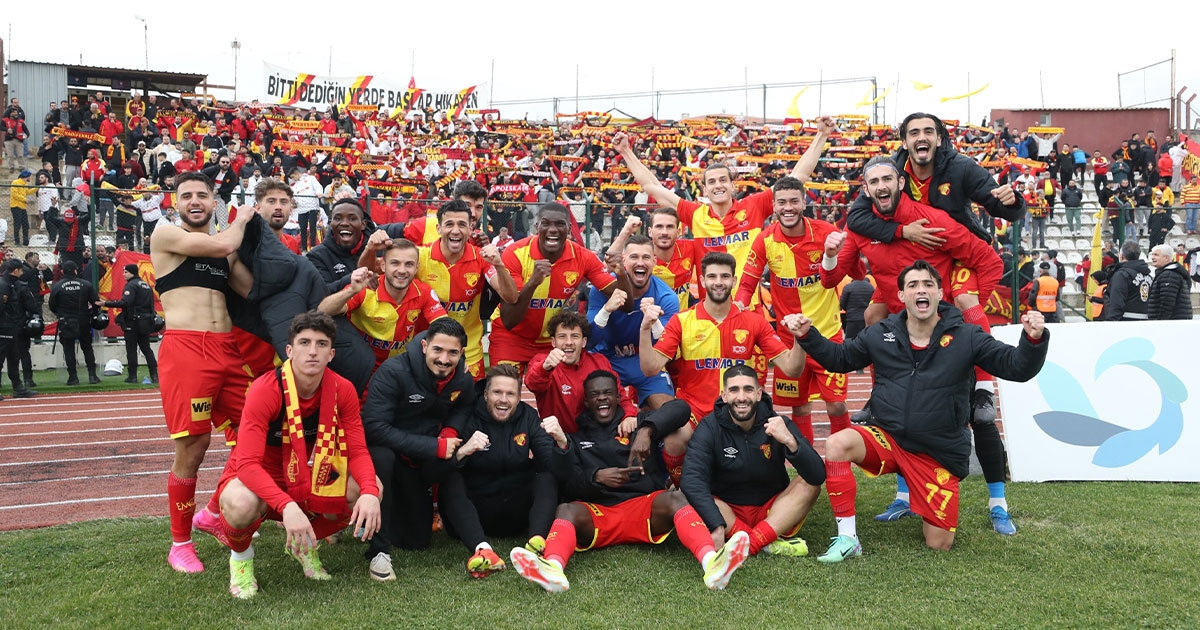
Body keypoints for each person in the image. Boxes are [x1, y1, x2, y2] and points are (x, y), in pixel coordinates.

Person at [795, 261, 1048, 562]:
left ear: (940, 293)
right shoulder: (882, 333)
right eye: (913, 285)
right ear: (901, 295)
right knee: (837, 443)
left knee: (939, 543)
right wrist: (808, 335)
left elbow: (1015, 367)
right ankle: (848, 538)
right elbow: (839, 358)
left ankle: (921, 495)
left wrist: (1033, 340)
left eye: (928, 284)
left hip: (936, 452)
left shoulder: (967, 336)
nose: (921, 290)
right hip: (889, 438)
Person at [830, 154, 1015, 533]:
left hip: (944, 337)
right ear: (866, 189)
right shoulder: (861, 226)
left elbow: (989, 260)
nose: (881, 187)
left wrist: (964, 307)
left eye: (888, 179)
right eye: (873, 182)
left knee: (979, 419)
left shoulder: (932, 221)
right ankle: (904, 496)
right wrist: (835, 257)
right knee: (900, 414)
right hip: (904, 342)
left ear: (901, 182)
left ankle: (998, 503)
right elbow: (834, 274)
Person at [509, 370, 752, 593]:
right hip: (600, 513)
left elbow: (681, 408)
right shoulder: (576, 437)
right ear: (586, 402)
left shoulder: (639, 422)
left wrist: (646, 430)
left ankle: (711, 562)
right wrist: (597, 477)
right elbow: (570, 484)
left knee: (675, 497)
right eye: (594, 395)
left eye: (607, 393)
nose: (602, 399)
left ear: (618, 397)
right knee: (565, 509)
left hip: (643, 508)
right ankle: (553, 569)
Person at [206, 311, 382, 599]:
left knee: (370, 487)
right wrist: (287, 507)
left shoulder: (342, 389)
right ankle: (241, 560)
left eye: (321, 344)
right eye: (304, 343)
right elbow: (247, 465)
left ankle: (304, 545)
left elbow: (358, 451)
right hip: (256, 478)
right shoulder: (265, 389)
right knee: (239, 504)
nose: (312, 351)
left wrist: (371, 493)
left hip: (300, 474)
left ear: (331, 354)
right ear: (289, 350)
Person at [150, 170, 255, 573]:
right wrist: (244, 219)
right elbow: (225, 241)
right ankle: (180, 544)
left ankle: (211, 512)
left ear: (214, 202)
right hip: (187, 349)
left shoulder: (224, 251)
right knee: (193, 447)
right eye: (186, 195)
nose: (194, 201)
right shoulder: (166, 234)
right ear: (175, 203)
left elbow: (252, 290)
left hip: (228, 349)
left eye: (202, 195)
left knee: (257, 432)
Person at [612, 118, 834, 298]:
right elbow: (652, 186)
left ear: (732, 185)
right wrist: (626, 151)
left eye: (723, 180)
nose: (718, 185)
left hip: (749, 310)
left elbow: (797, 177)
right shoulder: (696, 214)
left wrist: (821, 135)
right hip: (710, 312)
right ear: (705, 190)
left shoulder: (754, 205)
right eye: (712, 182)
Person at [639, 252, 809, 485]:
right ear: (702, 280)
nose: (718, 282)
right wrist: (644, 329)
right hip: (694, 410)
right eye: (712, 276)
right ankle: (683, 490)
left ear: (734, 281)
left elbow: (792, 369)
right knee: (675, 440)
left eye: (724, 276)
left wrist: (800, 339)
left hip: (737, 407)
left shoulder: (754, 321)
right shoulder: (682, 320)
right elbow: (650, 369)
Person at [735, 175, 851, 445]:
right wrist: (740, 302)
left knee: (836, 405)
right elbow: (748, 281)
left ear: (804, 203)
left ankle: (843, 457)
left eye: (794, 201)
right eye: (782, 202)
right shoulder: (764, 239)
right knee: (799, 408)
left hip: (827, 334)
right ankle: (806, 460)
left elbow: (843, 271)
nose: (788, 208)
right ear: (774, 206)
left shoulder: (825, 233)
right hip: (789, 342)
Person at [361, 318, 476, 581]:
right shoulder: (393, 372)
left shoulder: (462, 376)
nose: (444, 359)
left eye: (452, 353)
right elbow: (374, 427)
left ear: (461, 353)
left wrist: (450, 432)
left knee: (417, 541)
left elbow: (465, 406)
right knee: (382, 457)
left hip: (419, 459)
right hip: (387, 453)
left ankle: (391, 516)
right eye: (437, 350)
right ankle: (379, 550)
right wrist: (434, 446)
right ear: (424, 346)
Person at [437, 364, 571, 578]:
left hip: (516, 512)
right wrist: (464, 451)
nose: (503, 400)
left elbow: (552, 466)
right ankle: (482, 550)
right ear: (485, 394)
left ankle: (536, 543)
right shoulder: (467, 416)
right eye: (497, 392)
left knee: (545, 476)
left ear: (518, 398)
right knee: (451, 477)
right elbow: (436, 469)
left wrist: (562, 443)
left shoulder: (528, 416)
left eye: (510, 394)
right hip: (476, 511)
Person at [679, 364, 826, 560]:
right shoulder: (709, 427)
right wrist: (716, 524)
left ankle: (749, 544)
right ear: (724, 396)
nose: (741, 397)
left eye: (748, 389)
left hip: (773, 512)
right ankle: (764, 541)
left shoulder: (778, 423)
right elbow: (691, 479)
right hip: (727, 512)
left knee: (809, 484)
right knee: (686, 493)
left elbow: (818, 475)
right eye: (734, 390)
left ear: (758, 394)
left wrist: (791, 441)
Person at [490, 203, 617, 371]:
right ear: (536, 227)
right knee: (504, 386)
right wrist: (533, 282)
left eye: (559, 224)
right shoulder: (515, 253)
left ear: (569, 229)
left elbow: (623, 299)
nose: (552, 229)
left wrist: (622, 273)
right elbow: (509, 321)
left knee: (556, 387)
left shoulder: (583, 257)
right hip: (510, 337)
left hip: (550, 341)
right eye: (546, 223)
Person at [416, 199, 518, 380]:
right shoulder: (419, 256)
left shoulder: (481, 258)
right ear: (439, 228)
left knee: (471, 398)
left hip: (468, 352)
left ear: (470, 229)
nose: (455, 231)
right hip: (427, 350)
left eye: (462, 225)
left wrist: (499, 264)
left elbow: (511, 297)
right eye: (449, 224)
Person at [318, 238, 447, 371]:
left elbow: (445, 326)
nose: (402, 270)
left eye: (409, 264)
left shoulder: (424, 292)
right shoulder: (365, 288)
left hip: (401, 368)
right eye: (395, 263)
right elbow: (323, 310)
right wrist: (351, 291)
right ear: (383, 266)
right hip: (362, 369)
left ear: (416, 268)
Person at [589, 230, 680, 409]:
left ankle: (646, 421)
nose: (640, 262)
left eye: (646, 257)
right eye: (634, 257)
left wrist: (654, 322)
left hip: (643, 361)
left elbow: (667, 347)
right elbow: (590, 340)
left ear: (654, 261)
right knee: (594, 407)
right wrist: (606, 311)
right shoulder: (602, 288)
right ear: (623, 260)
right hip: (606, 359)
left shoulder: (666, 297)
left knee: (668, 411)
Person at [525, 310, 640, 434]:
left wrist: (629, 416)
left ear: (584, 342)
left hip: (595, 437)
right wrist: (545, 368)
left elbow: (619, 394)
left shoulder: (599, 362)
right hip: (555, 438)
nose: (569, 342)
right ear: (553, 342)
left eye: (575, 336)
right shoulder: (543, 361)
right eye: (562, 336)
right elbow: (532, 384)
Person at [101, 263, 159, 383]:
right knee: (146, 349)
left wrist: (106, 303)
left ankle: (132, 376)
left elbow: (125, 303)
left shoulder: (131, 285)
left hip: (133, 321)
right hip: (145, 321)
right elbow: (151, 305)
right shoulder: (146, 285)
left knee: (131, 349)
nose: (124, 274)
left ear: (132, 272)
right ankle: (154, 375)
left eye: (126, 272)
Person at [47, 261, 100, 385]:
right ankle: (92, 376)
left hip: (66, 321)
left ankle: (73, 377)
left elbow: (52, 305)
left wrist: (61, 313)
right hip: (83, 320)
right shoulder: (86, 284)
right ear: (76, 271)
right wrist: (91, 313)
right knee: (87, 348)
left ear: (62, 271)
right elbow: (95, 302)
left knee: (68, 349)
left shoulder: (57, 286)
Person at [0, 259, 39, 400]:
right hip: (4, 327)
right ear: (15, 271)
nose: (22, 272)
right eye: (21, 270)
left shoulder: (11, 284)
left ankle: (18, 387)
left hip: (11, 327)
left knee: (14, 357)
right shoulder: (4, 285)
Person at [1102, 241, 1151, 321]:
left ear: (1122, 256)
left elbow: (1117, 301)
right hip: (1145, 321)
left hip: (1125, 321)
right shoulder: (1148, 275)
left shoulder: (1122, 275)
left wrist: (1112, 322)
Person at [253, 177, 302, 253]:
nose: (278, 207)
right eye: (271, 201)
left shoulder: (292, 244)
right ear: (258, 208)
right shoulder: (247, 244)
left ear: (291, 209)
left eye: (283, 202)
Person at [1146, 244, 1193, 320]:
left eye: (1156, 255)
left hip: (1171, 324)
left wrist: (1159, 323)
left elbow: (1167, 303)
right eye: (1152, 254)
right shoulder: (1169, 273)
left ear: (1166, 258)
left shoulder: (1169, 275)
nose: (1152, 257)